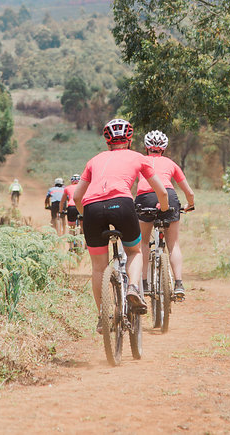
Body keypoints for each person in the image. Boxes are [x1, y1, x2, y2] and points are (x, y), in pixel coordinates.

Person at [73, 118, 169, 324]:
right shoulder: (138, 157)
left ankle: (102, 317)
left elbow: (77, 198)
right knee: (134, 252)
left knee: (98, 267)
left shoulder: (94, 160)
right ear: (130, 139)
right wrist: (165, 207)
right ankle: (133, 288)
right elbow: (161, 191)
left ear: (107, 142)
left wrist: (86, 214)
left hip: (92, 208)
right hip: (122, 204)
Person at [135, 130, 195, 300]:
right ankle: (178, 284)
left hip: (145, 197)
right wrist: (189, 205)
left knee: (144, 242)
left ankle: (144, 283)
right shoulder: (171, 163)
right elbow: (189, 192)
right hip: (169, 197)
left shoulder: (140, 162)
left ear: (147, 148)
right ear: (164, 148)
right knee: (173, 244)